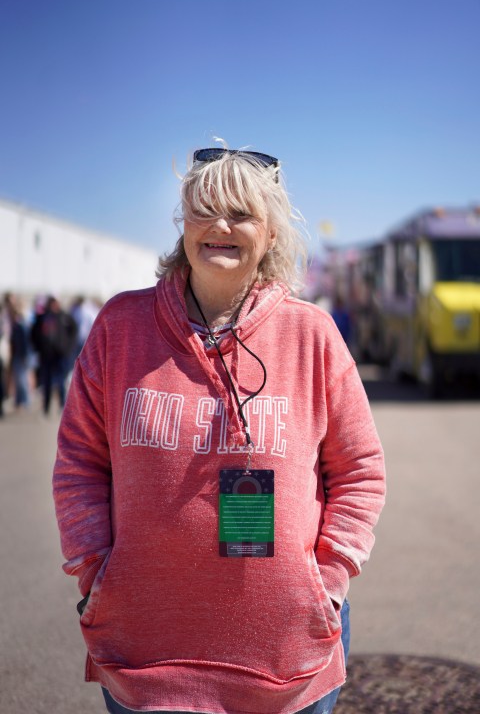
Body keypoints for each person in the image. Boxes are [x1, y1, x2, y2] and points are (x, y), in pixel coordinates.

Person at [53, 147, 386, 714]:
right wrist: (93, 570)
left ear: (272, 233)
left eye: (242, 213)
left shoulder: (313, 335)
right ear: (183, 225)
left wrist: (325, 583)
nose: (221, 226)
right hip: (148, 655)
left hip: (288, 658)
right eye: (205, 209)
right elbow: (80, 461)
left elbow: (360, 470)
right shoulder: (120, 326)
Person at [31, 295, 77, 414]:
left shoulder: (64, 316)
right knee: (47, 382)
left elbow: (74, 331)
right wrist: (38, 348)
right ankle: (46, 407)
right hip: (46, 355)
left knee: (61, 381)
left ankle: (62, 405)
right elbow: (34, 334)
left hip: (60, 354)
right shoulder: (42, 318)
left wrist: (68, 348)